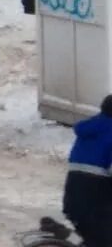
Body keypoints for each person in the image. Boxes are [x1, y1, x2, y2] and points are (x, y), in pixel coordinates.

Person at [62, 94, 112, 247]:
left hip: (74, 191)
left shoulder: (91, 126)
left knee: (93, 237)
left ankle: (64, 235)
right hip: (95, 193)